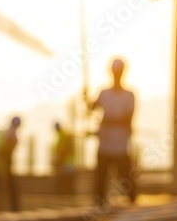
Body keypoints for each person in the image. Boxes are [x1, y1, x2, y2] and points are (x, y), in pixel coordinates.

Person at [89, 58, 138, 206]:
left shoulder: (129, 95)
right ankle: (99, 208)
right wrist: (87, 101)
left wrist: (107, 121)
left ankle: (133, 207)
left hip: (121, 146)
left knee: (127, 181)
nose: (117, 75)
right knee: (100, 182)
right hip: (105, 145)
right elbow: (92, 108)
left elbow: (127, 119)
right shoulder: (103, 93)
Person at [52, 121, 77, 195]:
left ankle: (66, 191)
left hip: (66, 160)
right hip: (66, 159)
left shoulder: (62, 136)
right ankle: (67, 191)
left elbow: (62, 149)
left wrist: (59, 158)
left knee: (66, 176)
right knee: (66, 176)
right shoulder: (62, 135)